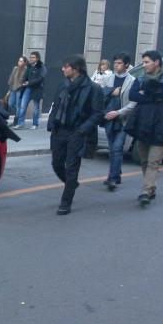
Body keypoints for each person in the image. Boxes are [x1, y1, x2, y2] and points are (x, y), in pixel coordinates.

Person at [47, 54, 103, 215]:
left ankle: (66, 202)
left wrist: (82, 130)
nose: (63, 69)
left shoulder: (93, 88)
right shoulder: (63, 84)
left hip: (77, 132)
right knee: (56, 163)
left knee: (72, 167)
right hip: (60, 129)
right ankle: (71, 184)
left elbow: (98, 113)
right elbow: (56, 104)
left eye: (66, 66)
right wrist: (51, 123)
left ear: (76, 69)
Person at [126, 50, 163, 205]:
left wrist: (146, 94)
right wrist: (153, 96)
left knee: (154, 161)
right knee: (144, 160)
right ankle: (151, 188)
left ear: (156, 62)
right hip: (143, 123)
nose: (144, 65)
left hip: (161, 123)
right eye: (143, 62)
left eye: (146, 62)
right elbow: (132, 95)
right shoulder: (140, 78)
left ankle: (145, 191)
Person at [102, 53, 137, 191]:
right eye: (115, 63)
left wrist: (119, 112)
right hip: (109, 119)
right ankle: (116, 173)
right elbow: (100, 95)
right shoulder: (108, 78)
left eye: (119, 63)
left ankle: (112, 178)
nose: (116, 65)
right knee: (112, 149)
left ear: (127, 65)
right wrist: (111, 92)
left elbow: (133, 103)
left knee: (117, 148)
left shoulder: (133, 81)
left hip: (123, 119)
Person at [13, 51, 46, 130]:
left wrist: (29, 82)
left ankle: (35, 124)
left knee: (36, 108)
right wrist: (24, 82)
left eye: (33, 57)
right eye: (30, 57)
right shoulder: (29, 66)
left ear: (37, 58)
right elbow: (25, 76)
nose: (31, 59)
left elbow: (41, 78)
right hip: (27, 88)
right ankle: (21, 123)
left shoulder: (41, 67)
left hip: (37, 89)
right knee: (23, 106)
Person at [7, 56, 28, 125]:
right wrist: (9, 90)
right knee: (10, 103)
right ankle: (18, 113)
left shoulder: (26, 70)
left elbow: (26, 80)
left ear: (25, 62)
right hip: (13, 89)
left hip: (20, 89)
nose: (19, 62)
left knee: (18, 105)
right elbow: (11, 79)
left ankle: (16, 120)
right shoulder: (15, 69)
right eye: (19, 61)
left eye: (21, 61)